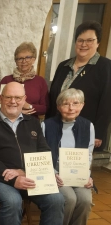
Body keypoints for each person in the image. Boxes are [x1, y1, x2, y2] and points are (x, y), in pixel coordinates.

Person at [0, 82, 64, 225]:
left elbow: (44, 150)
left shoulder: (33, 123)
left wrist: (24, 172)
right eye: (8, 97)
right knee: (13, 200)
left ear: (24, 99)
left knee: (56, 199)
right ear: (0, 98)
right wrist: (13, 179)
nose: (13, 101)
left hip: (30, 175)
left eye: (18, 98)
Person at [47, 20, 111, 151]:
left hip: (85, 130)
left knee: (76, 169)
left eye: (90, 40)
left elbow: (107, 103)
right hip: (57, 127)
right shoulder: (63, 66)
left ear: (98, 43)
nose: (84, 44)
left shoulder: (106, 67)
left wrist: (98, 133)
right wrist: (48, 126)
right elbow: (53, 98)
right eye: (80, 40)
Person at [42, 88, 94, 225]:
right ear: (58, 107)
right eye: (66, 104)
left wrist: (87, 174)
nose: (71, 108)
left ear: (82, 105)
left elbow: (88, 154)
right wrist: (53, 173)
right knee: (69, 198)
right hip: (56, 172)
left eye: (76, 103)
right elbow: (42, 153)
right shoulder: (46, 125)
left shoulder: (88, 126)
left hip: (78, 172)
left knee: (85, 200)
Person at [0, 42, 48, 117]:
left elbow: (45, 108)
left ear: (33, 59)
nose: (24, 61)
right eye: (20, 58)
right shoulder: (6, 80)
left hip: (31, 124)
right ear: (16, 61)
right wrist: (18, 112)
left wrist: (29, 106)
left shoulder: (40, 81)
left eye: (27, 57)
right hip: (8, 123)